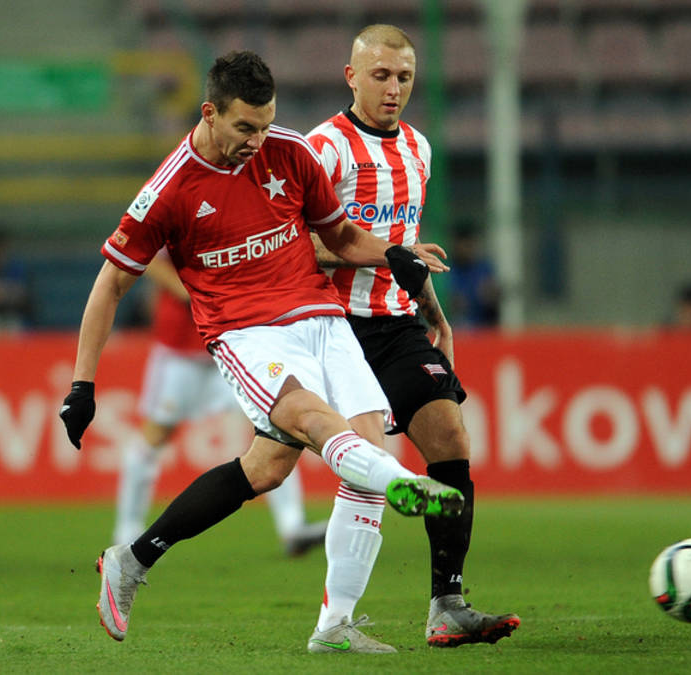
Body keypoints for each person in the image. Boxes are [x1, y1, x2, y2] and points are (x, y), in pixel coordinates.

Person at [57, 51, 464, 647]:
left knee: (280, 467)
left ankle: (327, 624)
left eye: (265, 124)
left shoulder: (290, 151)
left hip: (322, 317)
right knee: (315, 422)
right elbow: (111, 284)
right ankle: (404, 482)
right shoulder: (169, 189)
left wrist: (393, 254)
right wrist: (82, 384)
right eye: (245, 127)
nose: (257, 140)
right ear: (210, 113)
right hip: (246, 333)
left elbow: (340, 235)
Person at [305, 24, 520, 651]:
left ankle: (447, 605)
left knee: (451, 438)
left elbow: (406, 250)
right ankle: (143, 552)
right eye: (381, 76)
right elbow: (298, 244)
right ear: (352, 77)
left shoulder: (419, 149)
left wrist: (436, 317)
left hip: (397, 325)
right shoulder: (324, 149)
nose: (393, 88)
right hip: (335, 327)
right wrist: (378, 253)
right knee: (292, 469)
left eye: (404, 77)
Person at [112, 251, 327, 556]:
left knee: (276, 428)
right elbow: (148, 260)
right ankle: (127, 532)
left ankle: (292, 527)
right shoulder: (174, 219)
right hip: (180, 350)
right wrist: (193, 293)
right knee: (154, 436)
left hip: (232, 343)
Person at [445, 223, 500, 328]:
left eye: (469, 245)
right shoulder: (447, 269)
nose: (466, 249)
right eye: (463, 245)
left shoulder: (484, 268)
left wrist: (491, 295)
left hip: (483, 327)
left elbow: (493, 298)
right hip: (455, 327)